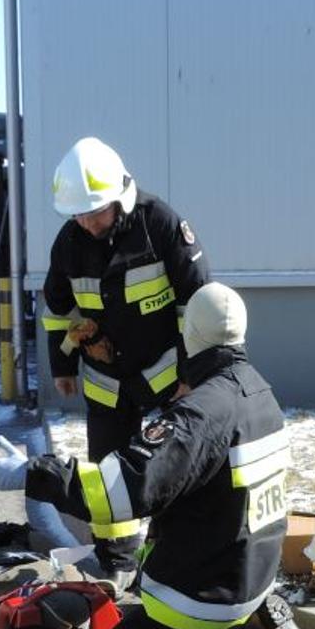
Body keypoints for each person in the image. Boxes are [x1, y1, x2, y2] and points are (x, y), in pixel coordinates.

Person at [0, 283, 303, 629]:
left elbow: (119, 492)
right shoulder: (260, 394)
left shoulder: (202, 412)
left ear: (190, 335)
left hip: (195, 601)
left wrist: (33, 473)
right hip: (246, 585)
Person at [40, 137, 211, 570]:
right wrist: (62, 365)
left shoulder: (161, 225)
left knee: (178, 464)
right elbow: (59, 310)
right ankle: (117, 562)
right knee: (107, 473)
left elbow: (198, 303)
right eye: (77, 213)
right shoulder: (69, 242)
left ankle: (175, 554)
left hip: (168, 373)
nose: (86, 222)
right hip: (104, 379)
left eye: (94, 212)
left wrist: (193, 373)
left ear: (120, 197)